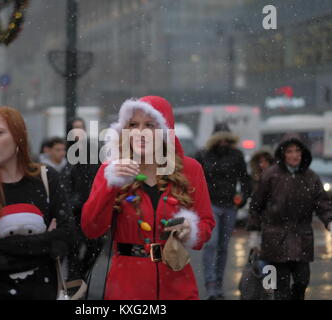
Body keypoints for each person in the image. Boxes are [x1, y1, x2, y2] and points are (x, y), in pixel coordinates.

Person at [81, 96, 215, 300]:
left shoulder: (190, 169)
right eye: (133, 125)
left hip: (177, 283)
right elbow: (91, 228)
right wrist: (111, 185)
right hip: (127, 287)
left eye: (150, 125)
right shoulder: (111, 170)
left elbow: (205, 226)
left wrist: (190, 229)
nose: (140, 132)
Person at [0, 106, 76, 300]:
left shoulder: (46, 179)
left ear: (18, 137)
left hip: (41, 293)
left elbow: (66, 238)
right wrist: (42, 244)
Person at [247, 137, 332, 300]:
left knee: (302, 281)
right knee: (280, 287)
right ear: (283, 154)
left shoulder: (310, 177)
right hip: (275, 239)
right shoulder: (271, 176)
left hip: (301, 238)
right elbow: (256, 206)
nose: (294, 155)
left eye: (298, 151)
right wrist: (254, 233)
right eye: (290, 151)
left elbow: (322, 204)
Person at [194, 122, 252, 299]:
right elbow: (193, 177)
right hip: (210, 204)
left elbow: (245, 180)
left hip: (229, 206)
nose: (223, 143)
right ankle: (211, 284)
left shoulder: (236, 155)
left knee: (223, 247)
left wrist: (241, 199)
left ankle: (218, 284)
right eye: (221, 140)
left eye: (227, 140)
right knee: (211, 245)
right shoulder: (203, 155)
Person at [65, 117, 103, 284]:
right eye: (75, 128)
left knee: (94, 245)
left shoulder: (92, 150)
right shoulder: (65, 150)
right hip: (71, 210)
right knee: (73, 247)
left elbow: (97, 175)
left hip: (88, 206)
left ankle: (79, 275)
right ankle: (75, 279)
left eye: (81, 128)